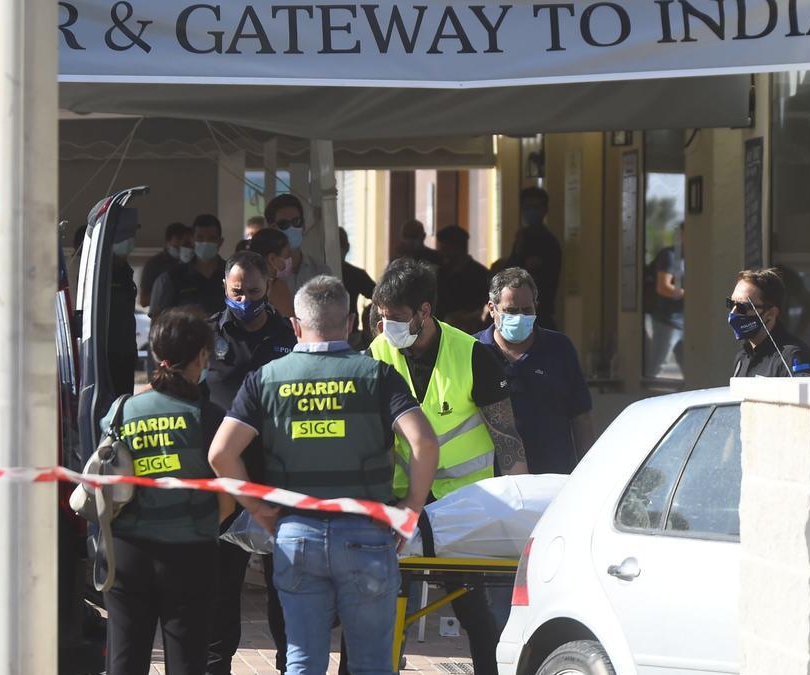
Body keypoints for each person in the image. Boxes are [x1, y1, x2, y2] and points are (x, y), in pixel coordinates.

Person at [208, 276, 440, 675]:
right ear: (350, 323)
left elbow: (220, 454)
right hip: (368, 534)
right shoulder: (378, 376)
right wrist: (410, 509)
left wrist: (261, 512)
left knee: (302, 660)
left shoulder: (265, 379)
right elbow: (425, 443)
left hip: (296, 534)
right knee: (371, 663)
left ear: (296, 326)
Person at [369, 258, 528, 675]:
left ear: (425, 311)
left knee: (478, 615)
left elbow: (508, 441)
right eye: (383, 318)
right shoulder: (378, 352)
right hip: (402, 503)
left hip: (464, 509)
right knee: (384, 611)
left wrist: (523, 514)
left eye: (397, 318)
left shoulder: (474, 355)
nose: (388, 327)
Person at [101, 307, 236, 675]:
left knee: (124, 662)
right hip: (189, 555)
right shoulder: (208, 419)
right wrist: (204, 523)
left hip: (127, 555)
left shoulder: (121, 411)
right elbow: (228, 494)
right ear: (202, 357)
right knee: (188, 663)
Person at [203, 251, 296, 675]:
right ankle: (216, 664)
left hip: (278, 476)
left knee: (287, 585)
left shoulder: (290, 335)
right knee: (221, 588)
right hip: (223, 479)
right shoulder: (207, 335)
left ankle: (289, 664)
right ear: (225, 287)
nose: (245, 299)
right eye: (237, 291)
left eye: (254, 292)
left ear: (270, 285)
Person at [476, 267, 594, 475]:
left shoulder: (559, 348)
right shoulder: (474, 350)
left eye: (527, 310)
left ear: (536, 307)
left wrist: (588, 472)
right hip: (492, 481)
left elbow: (580, 417)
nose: (520, 317)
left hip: (553, 477)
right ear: (492, 308)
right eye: (511, 311)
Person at [729, 268, 810, 377]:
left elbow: (804, 393)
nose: (733, 312)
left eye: (742, 307)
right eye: (730, 304)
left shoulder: (793, 357)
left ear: (771, 313)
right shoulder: (742, 357)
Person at [150, 214, 226, 319]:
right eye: (200, 238)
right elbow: (157, 320)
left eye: (211, 238)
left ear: (220, 242)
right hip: (186, 334)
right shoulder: (173, 278)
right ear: (193, 240)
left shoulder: (231, 274)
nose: (205, 243)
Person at [506, 188, 561, 330]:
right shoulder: (521, 238)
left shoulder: (549, 242)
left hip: (539, 313)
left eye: (536, 207)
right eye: (528, 207)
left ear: (545, 210)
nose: (532, 211)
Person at [265, 194, 331, 299]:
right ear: (272, 229)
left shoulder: (320, 271)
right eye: (284, 224)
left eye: (296, 221)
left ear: (303, 225)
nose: (292, 228)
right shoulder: (263, 273)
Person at [645, 224, 685, 379]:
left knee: (691, 371)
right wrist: (691, 295)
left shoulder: (689, 257)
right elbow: (663, 287)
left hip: (684, 321)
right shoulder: (669, 255)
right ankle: (647, 400)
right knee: (657, 367)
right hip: (667, 320)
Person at [434, 225, 490, 334]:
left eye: (445, 250)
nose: (441, 254)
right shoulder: (440, 274)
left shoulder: (480, 274)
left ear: (458, 248)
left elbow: (485, 305)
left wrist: (467, 317)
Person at [109, 213, 140, 396]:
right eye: (125, 236)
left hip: (125, 351)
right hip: (107, 353)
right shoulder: (102, 271)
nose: (129, 241)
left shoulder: (125, 271)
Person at [139, 222, 193, 309]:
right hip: (164, 316)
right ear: (168, 241)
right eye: (178, 239)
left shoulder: (194, 262)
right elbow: (144, 301)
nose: (181, 245)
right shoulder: (154, 264)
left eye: (186, 242)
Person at [245, 227, 297, 318]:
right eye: (287, 255)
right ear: (272, 258)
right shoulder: (276, 287)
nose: (290, 259)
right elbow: (290, 326)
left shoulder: (242, 285)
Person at [339, 227, 375, 345]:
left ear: (346, 248)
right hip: (326, 335)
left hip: (351, 337)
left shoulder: (356, 275)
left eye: (340, 247)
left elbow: (381, 298)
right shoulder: (319, 271)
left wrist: (367, 318)